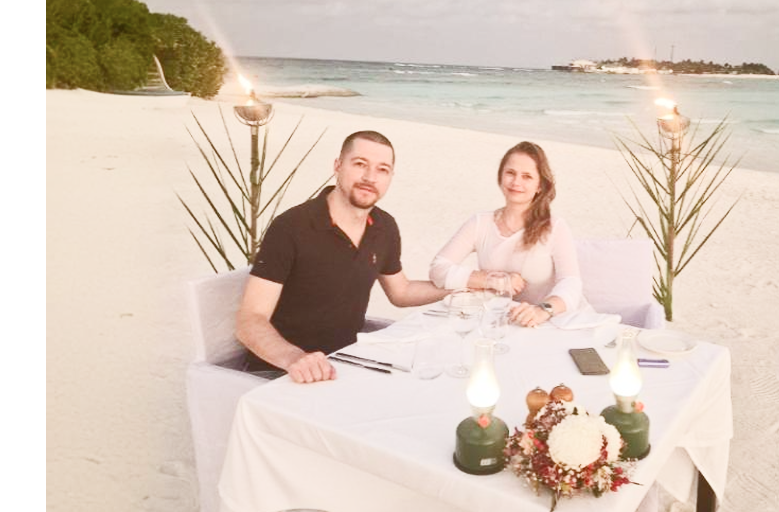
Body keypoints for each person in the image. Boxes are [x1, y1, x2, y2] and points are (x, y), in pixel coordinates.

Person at [236, 129, 449, 383]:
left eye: (382, 169)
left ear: (390, 177)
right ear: (337, 166)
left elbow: (401, 292)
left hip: (345, 363)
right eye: (360, 164)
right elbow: (249, 321)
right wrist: (294, 358)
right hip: (280, 372)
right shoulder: (291, 227)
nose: (370, 177)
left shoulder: (385, 226)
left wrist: (460, 287)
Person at [429, 140, 584, 329]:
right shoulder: (480, 223)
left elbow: (571, 282)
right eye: (510, 173)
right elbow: (438, 269)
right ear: (500, 177)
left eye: (527, 176)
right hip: (500, 321)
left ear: (540, 186)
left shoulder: (555, 226)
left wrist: (542, 310)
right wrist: (493, 280)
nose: (516, 182)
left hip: (550, 322)